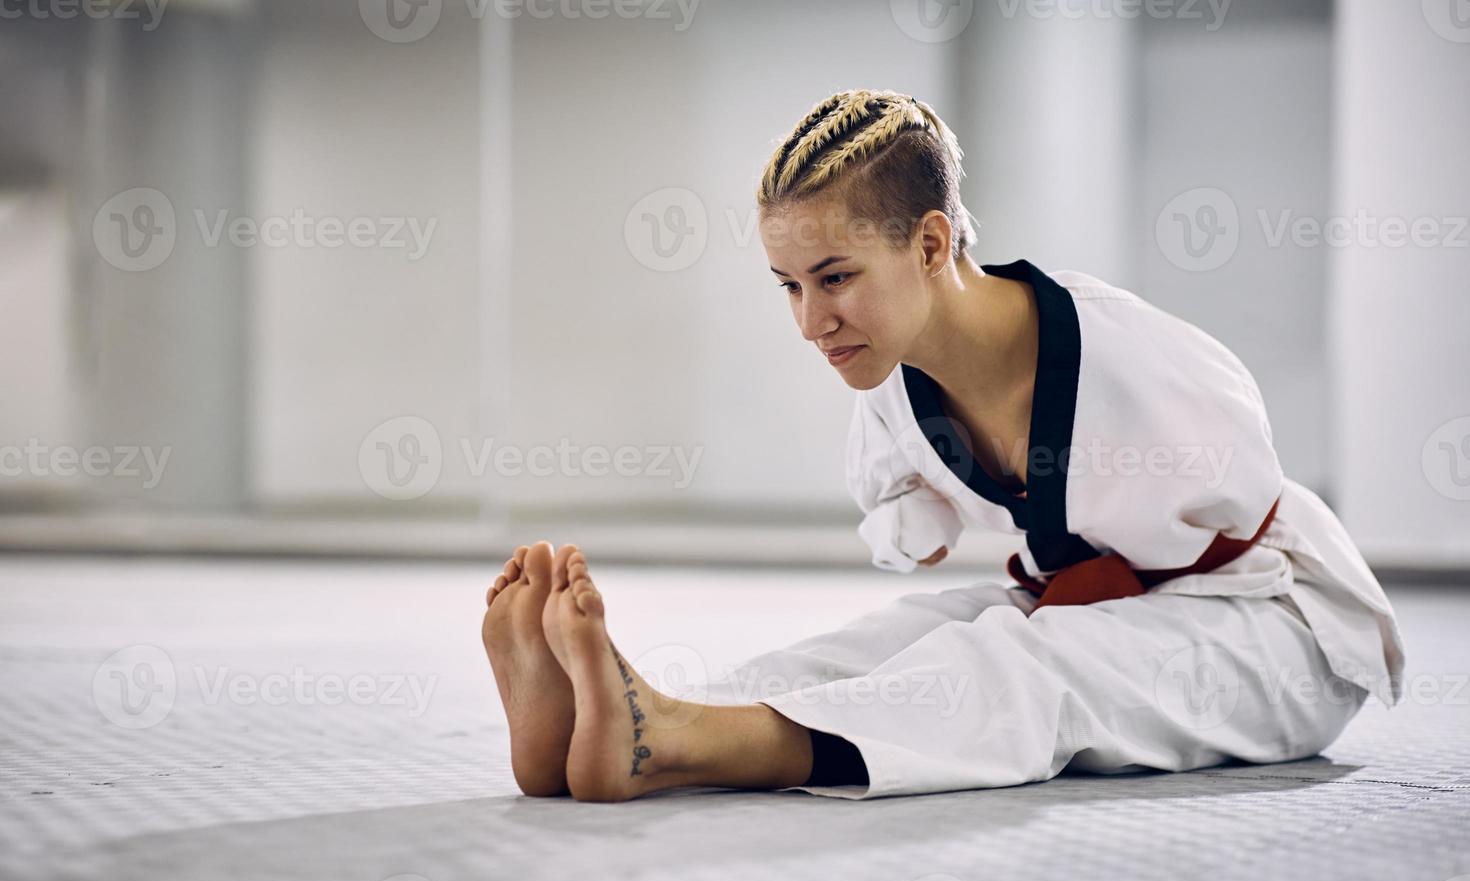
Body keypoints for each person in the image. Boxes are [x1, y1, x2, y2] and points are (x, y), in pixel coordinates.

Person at [480, 89, 1406, 803]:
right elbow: (904, 511)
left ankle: (672, 744)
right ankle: (630, 720)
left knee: (1022, 665)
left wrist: (1058, 575)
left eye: (834, 278)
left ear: (929, 244)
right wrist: (923, 520)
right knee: (888, 641)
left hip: (1278, 630)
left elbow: (1230, 520)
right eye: (789, 287)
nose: (812, 322)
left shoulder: (1132, 357)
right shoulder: (890, 372)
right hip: (1097, 603)